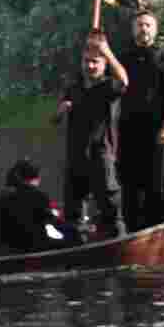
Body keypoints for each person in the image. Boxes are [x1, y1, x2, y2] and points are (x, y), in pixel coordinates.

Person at [54, 33, 128, 240]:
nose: (90, 66)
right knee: (73, 207)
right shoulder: (74, 88)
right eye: (87, 62)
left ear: (103, 64)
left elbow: (124, 80)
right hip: (76, 154)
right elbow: (55, 119)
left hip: (101, 153)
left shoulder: (108, 86)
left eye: (95, 62)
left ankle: (117, 241)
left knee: (110, 202)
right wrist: (61, 111)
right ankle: (75, 245)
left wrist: (106, 51)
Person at [118, 7, 164, 230]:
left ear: (155, 30)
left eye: (147, 25)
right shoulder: (123, 58)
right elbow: (106, 75)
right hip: (128, 130)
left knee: (163, 180)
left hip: (157, 129)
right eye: (139, 25)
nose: (143, 29)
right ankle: (132, 230)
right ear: (132, 29)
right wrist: (101, 47)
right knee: (129, 182)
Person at [0, 159, 65, 251]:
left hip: (5, 249)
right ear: (36, 178)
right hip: (34, 248)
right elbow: (50, 221)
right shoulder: (38, 196)